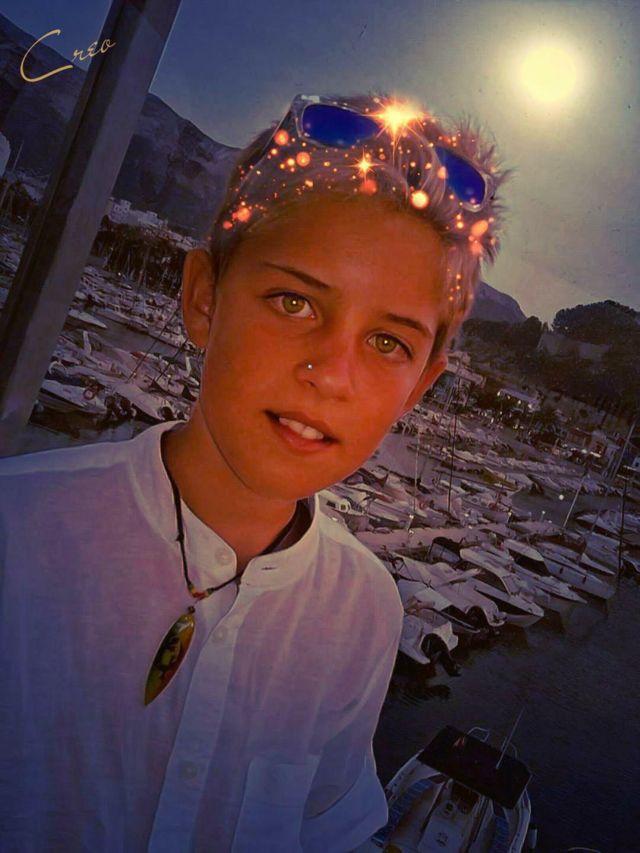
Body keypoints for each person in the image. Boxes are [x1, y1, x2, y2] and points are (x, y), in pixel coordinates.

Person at [0, 92, 509, 851]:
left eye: (388, 344)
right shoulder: (17, 536)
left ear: (419, 387)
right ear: (203, 298)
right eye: (293, 301)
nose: (331, 374)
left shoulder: (365, 612)